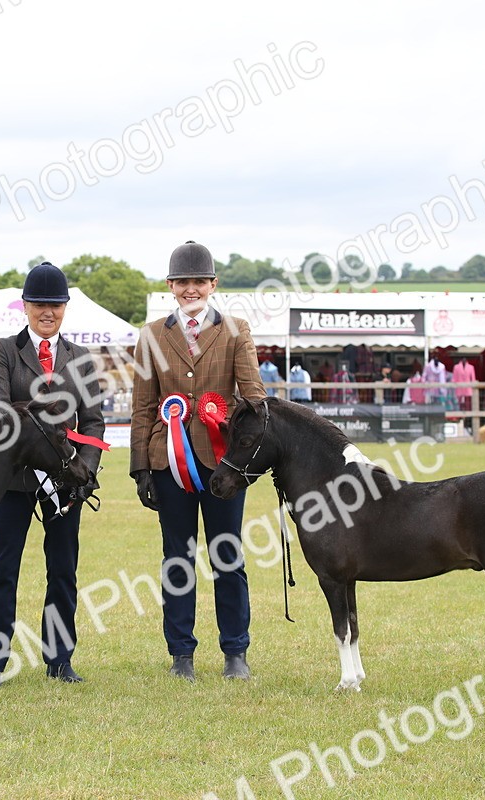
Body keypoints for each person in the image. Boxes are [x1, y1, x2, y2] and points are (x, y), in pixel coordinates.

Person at [130, 241, 266, 682]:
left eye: (199, 281)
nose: (191, 289)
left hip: (223, 461)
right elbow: (143, 405)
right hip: (167, 461)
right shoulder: (151, 335)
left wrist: (250, 458)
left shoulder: (236, 331)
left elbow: (254, 398)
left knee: (227, 554)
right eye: (183, 282)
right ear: (170, 285)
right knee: (177, 557)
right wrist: (140, 468)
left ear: (213, 284)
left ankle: (236, 650)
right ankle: (181, 653)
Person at [0, 262, 105, 687]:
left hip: (66, 480)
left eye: (56, 304)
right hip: (13, 479)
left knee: (63, 570)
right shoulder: (3, 350)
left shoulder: (81, 358)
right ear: (25, 306)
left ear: (65, 307)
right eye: (39, 304)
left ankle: (60, 659)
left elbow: (93, 421)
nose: (47, 312)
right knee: (2, 568)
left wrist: (85, 471)